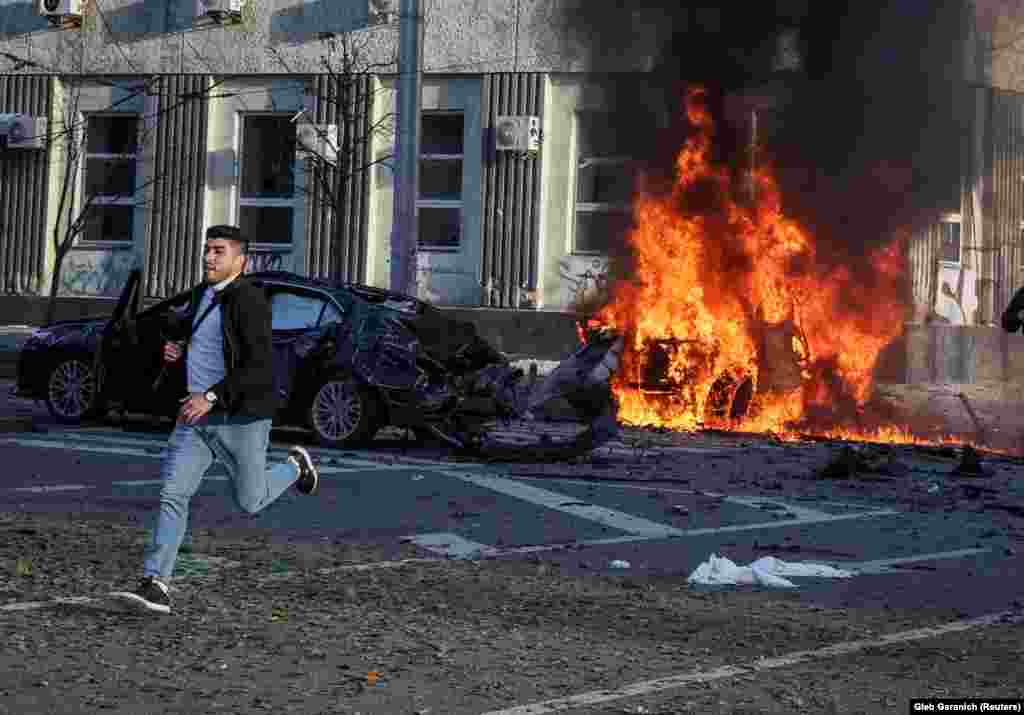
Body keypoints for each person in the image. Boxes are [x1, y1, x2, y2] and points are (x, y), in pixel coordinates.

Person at [110, 225, 319, 615]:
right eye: (207, 250)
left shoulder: (250, 301)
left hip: (239, 418)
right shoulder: (205, 294)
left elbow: (258, 366)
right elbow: (192, 334)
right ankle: (157, 582)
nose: (209, 257)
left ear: (240, 260)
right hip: (194, 418)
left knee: (251, 501)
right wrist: (175, 349)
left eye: (218, 251)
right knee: (173, 494)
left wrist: (211, 396)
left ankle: (294, 466)